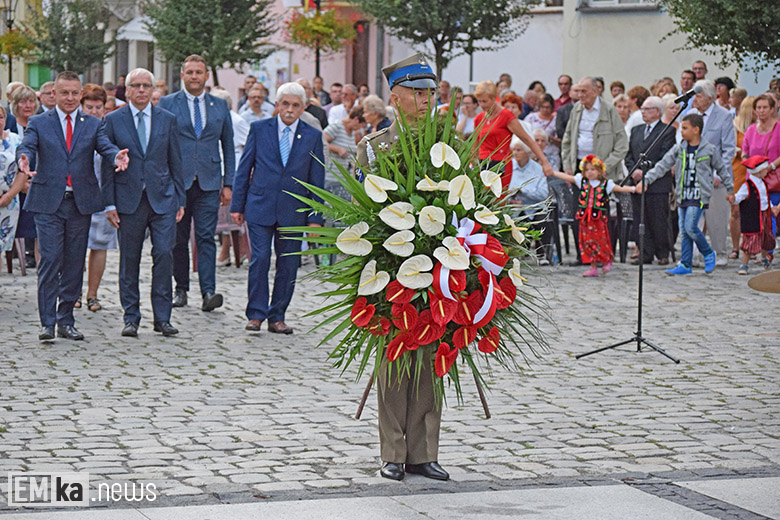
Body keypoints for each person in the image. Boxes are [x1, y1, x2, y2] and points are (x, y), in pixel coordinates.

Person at [354, 52, 449, 483]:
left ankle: (424, 452)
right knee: (394, 356)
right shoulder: (374, 148)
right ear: (395, 97)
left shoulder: (448, 143)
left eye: (431, 91)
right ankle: (393, 450)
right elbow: (362, 213)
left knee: (431, 355)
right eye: (417, 92)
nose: (427, 99)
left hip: (441, 264)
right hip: (390, 267)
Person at [17, 71, 129, 341]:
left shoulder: (91, 123)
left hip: (79, 201)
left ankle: (66, 320)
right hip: (48, 202)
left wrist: (117, 156)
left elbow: (105, 146)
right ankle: (47, 322)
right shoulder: (39, 122)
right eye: (63, 92)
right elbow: (28, 145)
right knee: (51, 258)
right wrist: (24, 158)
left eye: (73, 93)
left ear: (80, 94)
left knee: (74, 261)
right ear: (53, 94)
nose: (69, 97)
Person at [230, 82, 324, 335]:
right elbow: (244, 168)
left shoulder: (313, 136)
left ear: (304, 107)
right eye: (285, 104)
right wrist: (237, 205)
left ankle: (277, 316)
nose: (290, 110)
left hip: (293, 211)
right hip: (260, 205)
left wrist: (316, 218)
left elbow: (317, 180)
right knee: (259, 259)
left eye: (295, 105)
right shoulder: (260, 129)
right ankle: (256, 314)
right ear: (277, 105)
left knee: (288, 264)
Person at [102, 68, 185, 337]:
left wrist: (180, 199)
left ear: (153, 90)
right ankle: (131, 316)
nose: (140, 90)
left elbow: (176, 161)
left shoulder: (167, 119)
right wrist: (109, 204)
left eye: (145, 86)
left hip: (163, 198)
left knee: (163, 253)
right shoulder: (113, 120)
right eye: (135, 86)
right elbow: (107, 165)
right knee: (130, 259)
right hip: (128, 199)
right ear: (126, 90)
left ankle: (163, 317)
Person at [159, 54, 235, 312]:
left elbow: (229, 146)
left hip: (209, 181)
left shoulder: (219, 106)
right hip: (178, 181)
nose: (194, 76)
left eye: (199, 72)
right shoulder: (168, 103)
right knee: (178, 238)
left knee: (205, 236)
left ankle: (208, 291)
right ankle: (181, 289)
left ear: (206, 76)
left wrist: (229, 183)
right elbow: (162, 144)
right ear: (182, 75)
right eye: (189, 72)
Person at [643, 114, 735, 275]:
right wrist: (647, 179)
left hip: (699, 195)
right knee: (684, 231)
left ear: (696, 130)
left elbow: (722, 169)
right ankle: (685, 264)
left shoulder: (709, 150)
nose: (682, 131)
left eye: (685, 128)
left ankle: (707, 252)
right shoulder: (679, 148)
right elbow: (663, 165)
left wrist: (730, 189)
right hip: (683, 194)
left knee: (691, 227)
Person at [549, 154, 638, 276]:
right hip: (585, 219)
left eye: (593, 169)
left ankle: (607, 260)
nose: (589, 172)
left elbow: (620, 188)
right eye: (587, 170)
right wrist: (553, 173)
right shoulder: (582, 181)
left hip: (598, 220)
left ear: (600, 171)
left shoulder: (606, 184)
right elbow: (568, 177)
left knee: (601, 241)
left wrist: (633, 189)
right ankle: (593, 266)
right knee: (587, 242)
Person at [689, 79, 737, 266]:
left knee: (716, 217)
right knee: (693, 216)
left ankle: (719, 252)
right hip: (694, 174)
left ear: (710, 97)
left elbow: (728, 149)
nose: (695, 99)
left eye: (699, 96)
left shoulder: (723, 116)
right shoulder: (691, 114)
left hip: (715, 174)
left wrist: (719, 173)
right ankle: (693, 254)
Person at [626, 96, 677, 265]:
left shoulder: (667, 130)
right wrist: (634, 171)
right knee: (641, 218)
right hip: (637, 182)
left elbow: (665, 156)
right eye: (641, 109)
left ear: (657, 111)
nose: (643, 113)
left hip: (658, 183)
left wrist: (645, 171)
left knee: (659, 219)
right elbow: (629, 155)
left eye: (647, 109)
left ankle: (663, 252)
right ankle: (645, 252)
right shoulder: (636, 130)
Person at [79, 84, 116, 313]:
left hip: (103, 196)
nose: (93, 111)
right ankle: (72, 292)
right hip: (77, 195)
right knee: (74, 247)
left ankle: (92, 294)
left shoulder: (108, 131)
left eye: (98, 107)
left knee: (99, 245)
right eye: (89, 107)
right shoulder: (75, 129)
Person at [473, 81, 553, 184]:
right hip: (482, 164)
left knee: (497, 198)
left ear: (494, 98)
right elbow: (474, 146)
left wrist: (545, 161)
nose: (482, 105)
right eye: (479, 101)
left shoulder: (506, 116)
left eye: (485, 101)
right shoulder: (479, 119)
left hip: (501, 164)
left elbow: (527, 138)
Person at [210, 88, 250, 268]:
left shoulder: (237, 120)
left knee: (233, 214)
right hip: (216, 169)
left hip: (233, 171)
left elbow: (247, 145)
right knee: (222, 216)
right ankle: (226, 250)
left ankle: (238, 250)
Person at [742, 94, 780, 250]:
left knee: (772, 216)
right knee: (756, 216)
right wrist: (752, 167)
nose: (762, 111)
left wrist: (769, 167)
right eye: (759, 108)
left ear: (772, 109)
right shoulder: (751, 130)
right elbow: (745, 152)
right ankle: (758, 248)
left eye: (765, 107)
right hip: (754, 180)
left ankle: (768, 249)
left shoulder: (778, 128)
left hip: (774, 179)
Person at [507, 136, 552, 263]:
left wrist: (523, 192)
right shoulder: (509, 166)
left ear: (528, 152)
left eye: (519, 150)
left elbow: (544, 193)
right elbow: (503, 190)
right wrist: (511, 198)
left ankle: (541, 254)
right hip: (514, 207)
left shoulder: (538, 169)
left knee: (542, 217)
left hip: (534, 206)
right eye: (514, 150)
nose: (515, 153)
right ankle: (516, 252)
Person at [733, 157, 776, 274]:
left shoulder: (763, 184)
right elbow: (739, 197)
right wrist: (733, 198)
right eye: (765, 169)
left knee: (766, 238)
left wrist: (772, 207)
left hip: (764, 215)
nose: (767, 170)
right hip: (753, 217)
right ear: (758, 171)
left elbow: (765, 198)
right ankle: (744, 264)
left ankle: (764, 258)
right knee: (750, 240)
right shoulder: (747, 186)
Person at [729, 96, 756, 259]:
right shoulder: (735, 126)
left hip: (754, 170)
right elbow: (729, 147)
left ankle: (750, 245)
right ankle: (735, 246)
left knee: (752, 209)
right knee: (736, 210)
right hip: (738, 169)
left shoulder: (761, 127)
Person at [0, 106, 24, 252]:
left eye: (1, 117)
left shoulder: (15, 139)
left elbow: (23, 170)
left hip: (9, 200)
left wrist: (9, 195)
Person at [324, 106, 365, 174]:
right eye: (361, 125)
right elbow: (321, 142)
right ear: (356, 119)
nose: (360, 128)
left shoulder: (353, 132)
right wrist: (337, 149)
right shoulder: (336, 127)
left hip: (345, 175)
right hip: (332, 175)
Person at [525, 94, 560, 169]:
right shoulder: (531, 118)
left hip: (551, 154)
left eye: (547, 107)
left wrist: (550, 138)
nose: (545, 110)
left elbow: (560, 140)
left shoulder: (556, 120)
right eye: (542, 107)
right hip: (534, 154)